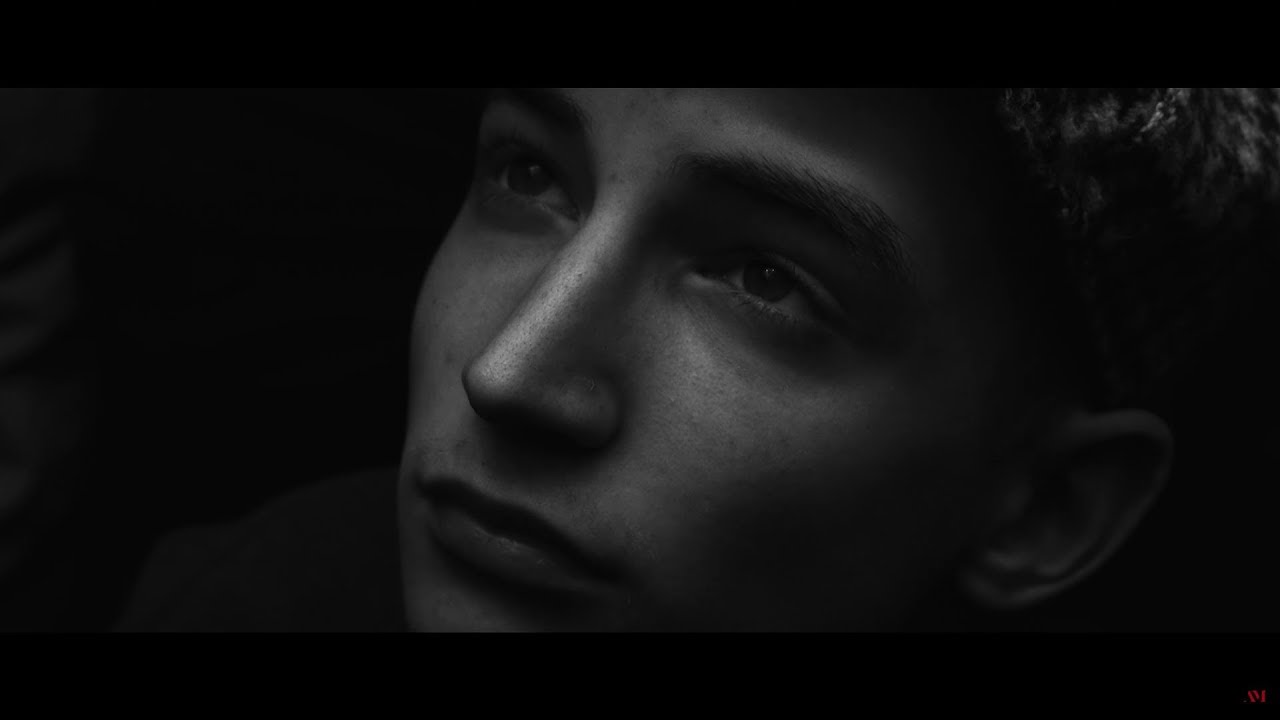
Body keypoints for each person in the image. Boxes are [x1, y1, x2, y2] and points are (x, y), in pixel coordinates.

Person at [116, 88, 1280, 632]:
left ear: (1043, 511)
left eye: (764, 279)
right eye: (529, 175)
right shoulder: (253, 598)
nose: (510, 374)